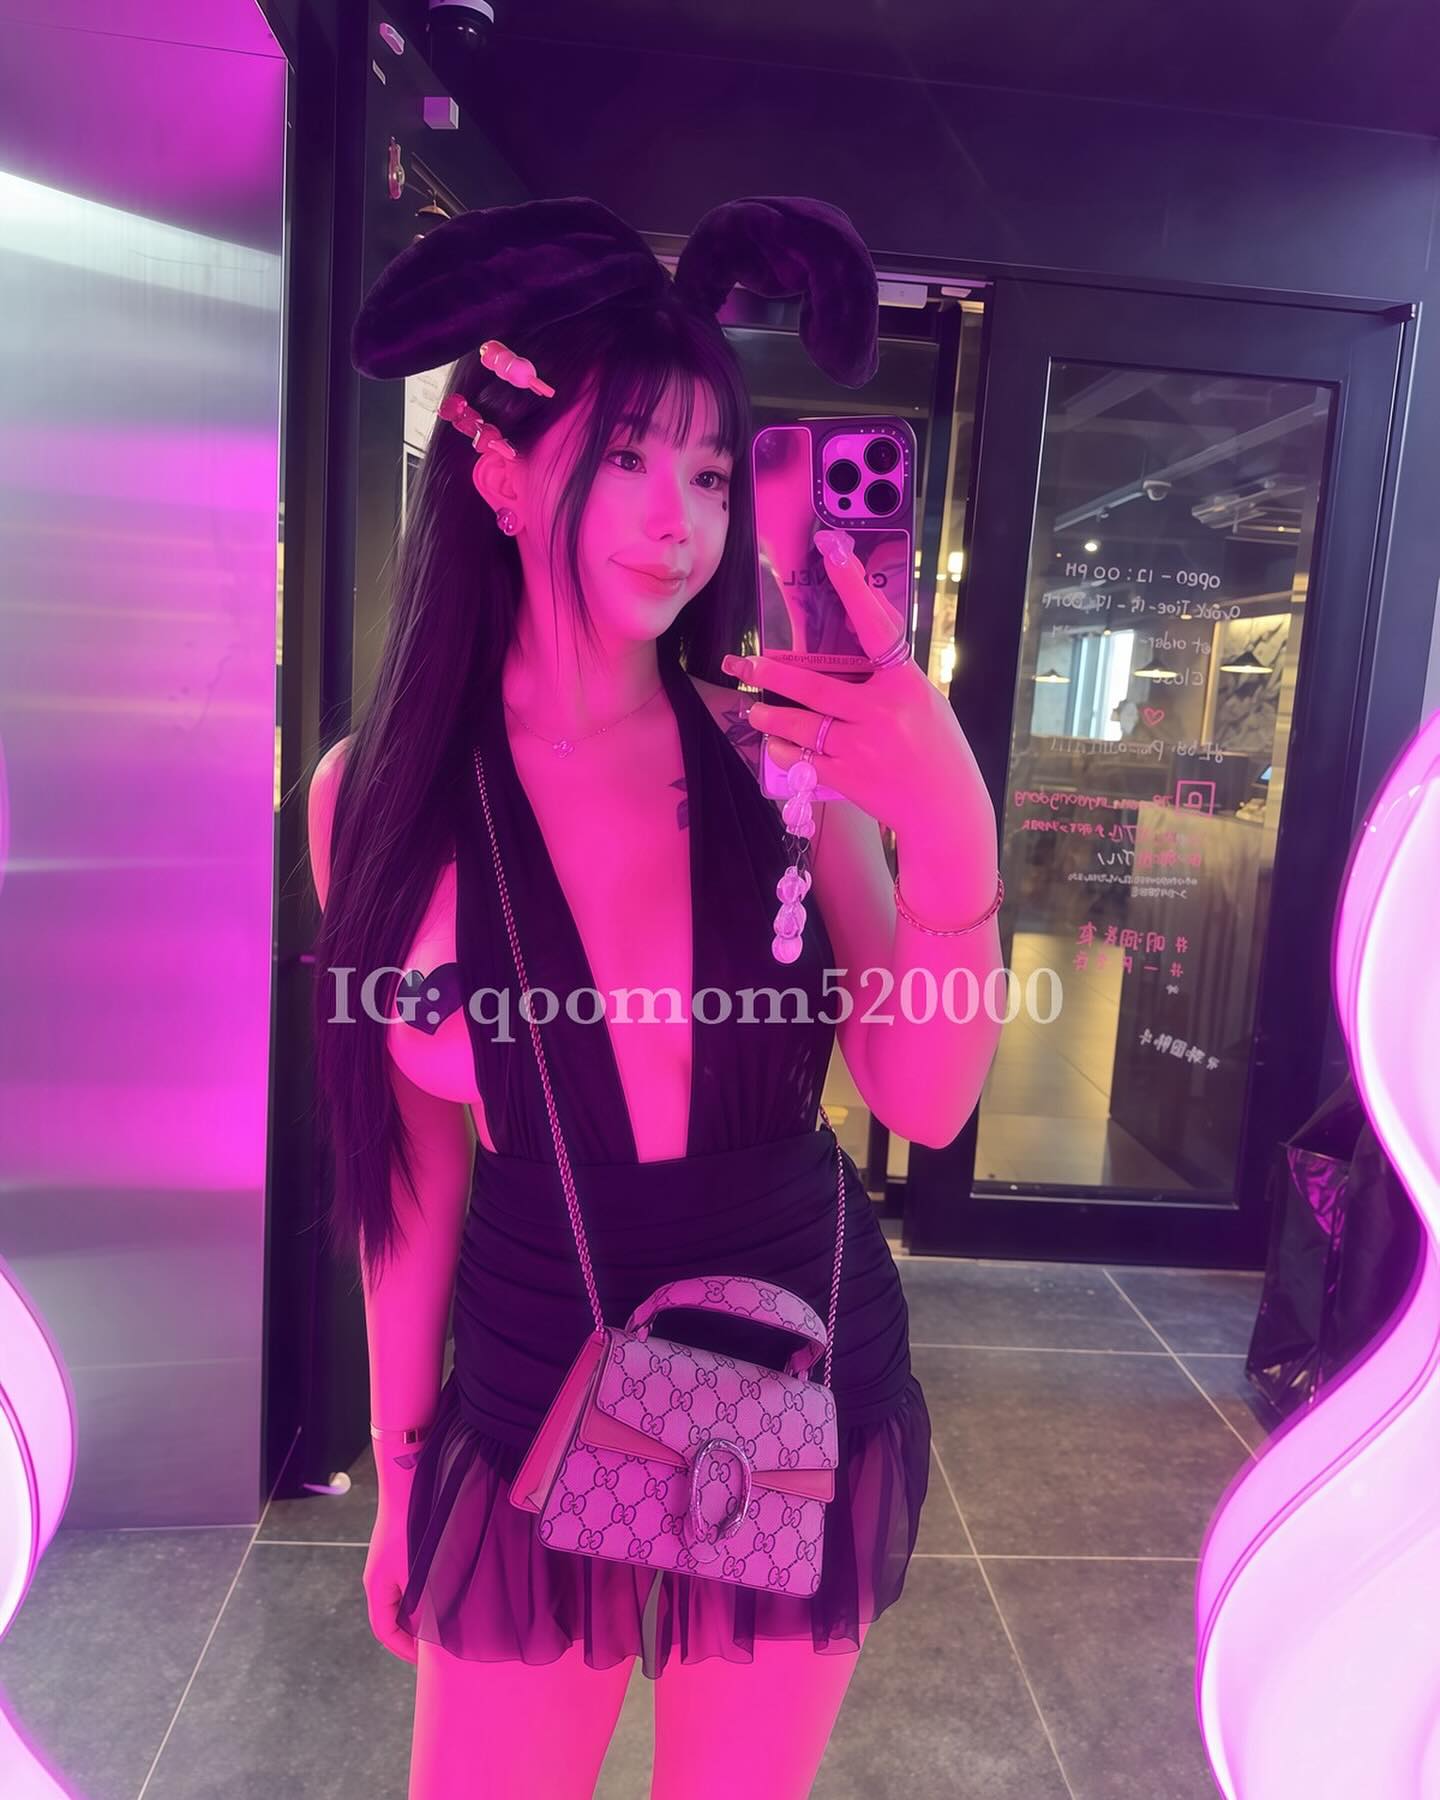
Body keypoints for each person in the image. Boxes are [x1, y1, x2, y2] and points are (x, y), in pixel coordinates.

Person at [306, 196, 1004, 1799]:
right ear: (497, 466)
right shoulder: (377, 798)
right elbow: (411, 1162)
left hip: (780, 1366)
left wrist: (954, 830)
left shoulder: (777, 752)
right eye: (625, 453)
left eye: (707, 470)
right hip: (530, 1366)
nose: (677, 517)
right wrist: (402, 1463)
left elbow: (924, 1099)